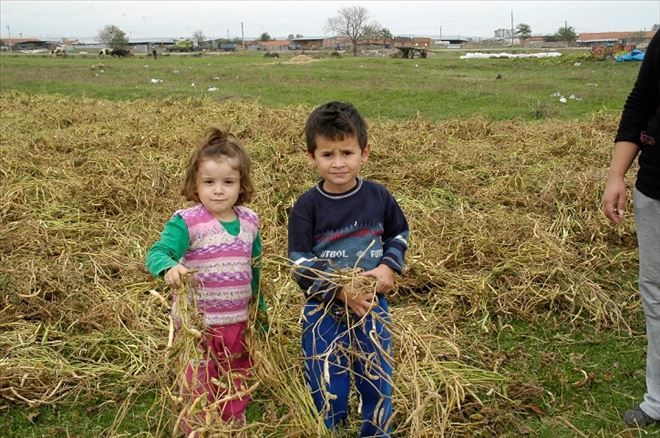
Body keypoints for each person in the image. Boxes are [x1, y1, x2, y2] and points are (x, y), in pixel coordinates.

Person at [288, 101, 409, 436]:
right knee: (327, 382)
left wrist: (387, 268)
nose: (338, 163)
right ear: (312, 157)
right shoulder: (306, 207)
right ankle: (330, 429)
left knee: (377, 377)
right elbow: (299, 261)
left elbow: (398, 233)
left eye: (347, 152)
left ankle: (376, 432)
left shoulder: (378, 197)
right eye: (328, 155)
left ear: (364, 152)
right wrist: (339, 292)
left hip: (371, 306)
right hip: (322, 309)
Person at [146, 127, 267, 432]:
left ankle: (230, 423)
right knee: (197, 382)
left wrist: (260, 311)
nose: (218, 190)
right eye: (209, 182)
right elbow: (157, 253)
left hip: (238, 322)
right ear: (195, 184)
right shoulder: (187, 222)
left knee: (237, 374)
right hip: (197, 326)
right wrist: (169, 267)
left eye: (228, 182)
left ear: (241, 185)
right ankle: (198, 427)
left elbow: (256, 271)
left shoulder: (250, 222)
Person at [602, 30, 660, 428]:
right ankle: (657, 399)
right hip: (656, 185)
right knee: (655, 292)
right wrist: (616, 174)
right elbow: (641, 101)